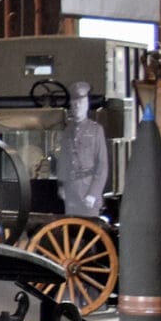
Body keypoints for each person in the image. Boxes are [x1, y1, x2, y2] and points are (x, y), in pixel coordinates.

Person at [57, 80, 109, 218]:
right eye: (74, 105)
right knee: (73, 232)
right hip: (71, 190)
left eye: (80, 104)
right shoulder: (67, 131)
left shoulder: (96, 130)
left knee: (90, 231)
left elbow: (102, 165)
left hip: (88, 190)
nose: (77, 107)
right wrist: (62, 185)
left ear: (86, 105)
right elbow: (63, 160)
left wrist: (93, 194)